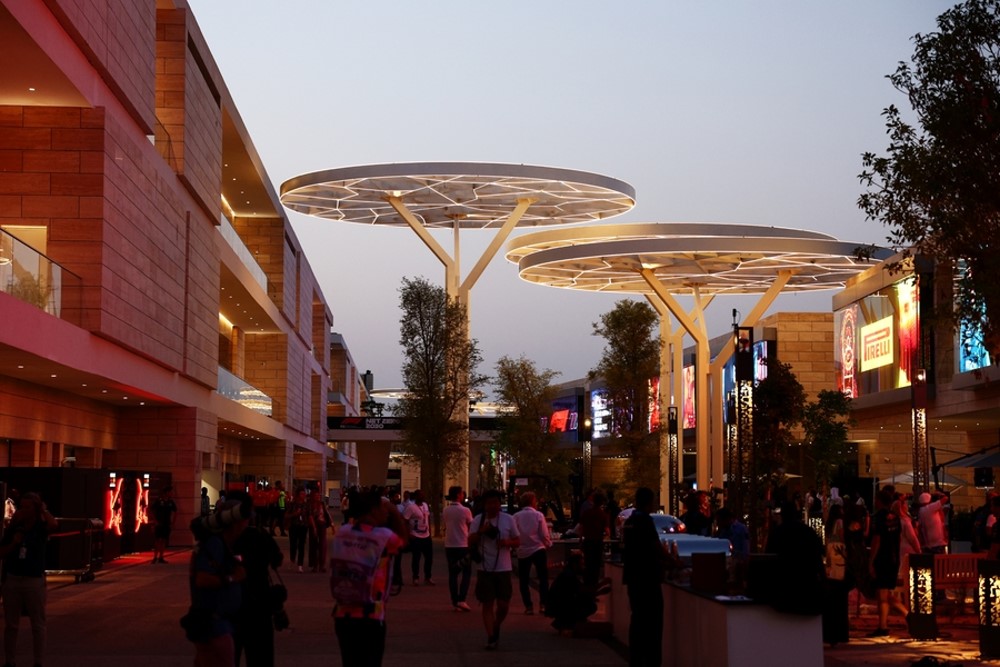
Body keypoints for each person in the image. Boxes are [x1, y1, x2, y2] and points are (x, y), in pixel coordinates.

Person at [330, 488, 405, 667]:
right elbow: (404, 540)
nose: (385, 512)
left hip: (343, 612)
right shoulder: (383, 536)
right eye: (383, 508)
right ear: (373, 511)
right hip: (371, 613)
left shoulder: (343, 532)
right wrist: (395, 512)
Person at [186, 496, 249, 666]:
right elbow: (202, 579)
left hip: (214, 622)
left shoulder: (221, 544)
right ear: (235, 522)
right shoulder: (215, 544)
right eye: (245, 521)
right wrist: (233, 578)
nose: (247, 525)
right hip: (213, 624)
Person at [0, 492, 58, 667]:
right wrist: (14, 543)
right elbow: (2, 552)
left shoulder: (40, 527)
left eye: (28, 507)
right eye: (22, 507)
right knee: (11, 624)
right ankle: (10, 661)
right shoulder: (14, 528)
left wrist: (43, 510)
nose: (24, 510)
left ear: (35, 509)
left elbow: (54, 524)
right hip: (13, 579)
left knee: (37, 623)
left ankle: (38, 661)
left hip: (33, 580)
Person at [227, 490, 285, 667]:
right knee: (261, 657)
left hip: (229, 607)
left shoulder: (221, 540)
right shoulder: (259, 535)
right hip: (259, 605)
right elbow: (277, 560)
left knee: (228, 657)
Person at [622, 487, 669, 667]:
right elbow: (655, 546)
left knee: (637, 620)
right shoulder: (645, 521)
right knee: (653, 623)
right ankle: (651, 659)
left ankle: (636, 658)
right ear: (650, 501)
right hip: (647, 578)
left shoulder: (630, 521)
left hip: (633, 577)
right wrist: (673, 561)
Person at [469, 489, 520, 650]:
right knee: (487, 604)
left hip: (503, 568)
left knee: (504, 605)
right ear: (484, 505)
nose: (493, 506)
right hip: (485, 568)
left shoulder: (509, 520)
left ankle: (496, 625)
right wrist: (481, 532)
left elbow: (518, 540)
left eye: (496, 503)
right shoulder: (478, 520)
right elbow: (470, 539)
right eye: (490, 503)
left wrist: (506, 543)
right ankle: (491, 637)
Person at [764, 500, 824, 617]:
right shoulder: (808, 532)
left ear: (782, 515)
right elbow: (818, 557)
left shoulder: (777, 533)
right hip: (807, 588)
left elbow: (768, 558)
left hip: (784, 589)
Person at [867, 488, 902, 637]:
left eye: (876, 499)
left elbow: (877, 540)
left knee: (882, 593)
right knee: (885, 591)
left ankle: (883, 626)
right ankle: (906, 616)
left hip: (882, 557)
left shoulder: (878, 517)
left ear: (880, 501)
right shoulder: (896, 517)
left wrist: (871, 561)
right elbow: (898, 538)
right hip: (894, 557)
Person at [513, 491, 553, 615]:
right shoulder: (539, 515)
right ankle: (543, 604)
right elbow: (543, 533)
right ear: (532, 502)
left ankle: (528, 606)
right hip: (538, 549)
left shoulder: (516, 516)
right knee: (543, 578)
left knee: (524, 579)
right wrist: (548, 543)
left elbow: (514, 533)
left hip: (523, 550)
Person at [544, 550, 598, 635]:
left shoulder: (568, 573)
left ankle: (565, 621)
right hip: (559, 606)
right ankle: (567, 622)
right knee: (590, 605)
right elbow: (582, 590)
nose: (583, 567)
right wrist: (602, 586)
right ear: (575, 565)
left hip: (557, 604)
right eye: (581, 564)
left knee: (586, 601)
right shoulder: (569, 575)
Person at [821, 503, 850, 646]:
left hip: (831, 556)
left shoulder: (829, 524)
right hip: (840, 557)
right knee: (840, 593)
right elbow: (843, 537)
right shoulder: (840, 522)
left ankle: (831, 631)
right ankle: (840, 631)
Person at [442, 486, 474, 611]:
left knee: (453, 574)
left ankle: (454, 600)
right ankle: (462, 599)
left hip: (449, 545)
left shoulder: (446, 510)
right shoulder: (465, 511)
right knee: (466, 572)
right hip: (463, 544)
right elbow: (470, 525)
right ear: (458, 495)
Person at [578, 491, 609, 588]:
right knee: (596, 567)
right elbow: (607, 531)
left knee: (588, 565)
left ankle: (586, 586)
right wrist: (605, 536)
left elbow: (581, 527)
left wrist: (580, 539)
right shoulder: (603, 515)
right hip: (597, 542)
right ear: (602, 503)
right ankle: (593, 588)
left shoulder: (587, 513)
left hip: (587, 541)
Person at [403, 489, 433, 585]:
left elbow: (427, 518)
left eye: (423, 495)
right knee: (416, 558)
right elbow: (405, 520)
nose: (422, 497)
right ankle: (415, 577)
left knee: (429, 558)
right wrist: (408, 534)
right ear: (415, 497)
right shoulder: (411, 507)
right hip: (416, 536)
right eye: (420, 495)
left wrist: (430, 532)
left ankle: (428, 577)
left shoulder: (425, 505)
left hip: (426, 535)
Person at [151, 485, 177, 564]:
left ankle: (161, 557)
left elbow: (175, 511)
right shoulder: (159, 501)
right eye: (171, 492)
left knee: (164, 540)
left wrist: (173, 522)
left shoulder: (170, 502)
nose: (172, 493)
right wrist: (155, 521)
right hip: (159, 523)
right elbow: (151, 510)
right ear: (167, 492)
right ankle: (155, 557)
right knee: (158, 540)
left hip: (167, 523)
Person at [308, 491, 333, 572]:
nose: (317, 497)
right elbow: (310, 516)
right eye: (316, 495)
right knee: (313, 545)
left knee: (323, 545)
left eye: (318, 495)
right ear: (312, 496)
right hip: (313, 525)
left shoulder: (322, 504)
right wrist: (314, 527)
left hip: (322, 525)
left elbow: (327, 513)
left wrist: (332, 525)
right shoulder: (310, 505)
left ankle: (322, 565)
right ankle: (315, 565)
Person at [286, 487, 309, 573]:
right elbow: (286, 515)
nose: (303, 495)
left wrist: (312, 526)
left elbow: (309, 516)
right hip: (294, 526)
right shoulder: (292, 504)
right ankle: (292, 561)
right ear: (298, 495)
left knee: (301, 546)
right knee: (293, 544)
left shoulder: (306, 505)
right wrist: (295, 514)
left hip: (303, 527)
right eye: (301, 494)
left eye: (304, 494)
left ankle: (300, 564)